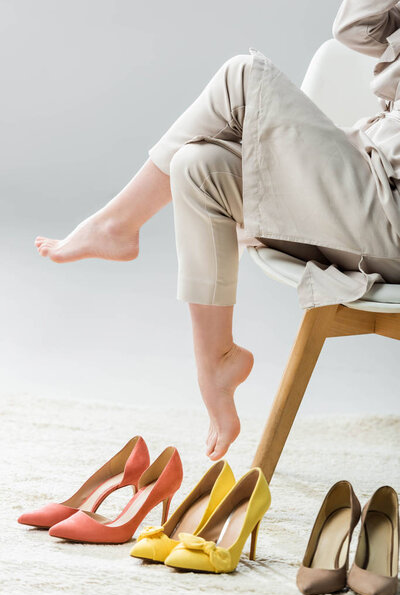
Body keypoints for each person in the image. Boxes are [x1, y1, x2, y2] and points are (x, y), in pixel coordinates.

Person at [35, 0, 400, 460]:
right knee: (198, 166)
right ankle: (218, 362)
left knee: (243, 77)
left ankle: (114, 225)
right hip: (365, 189)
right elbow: (355, 27)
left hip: (389, 217)